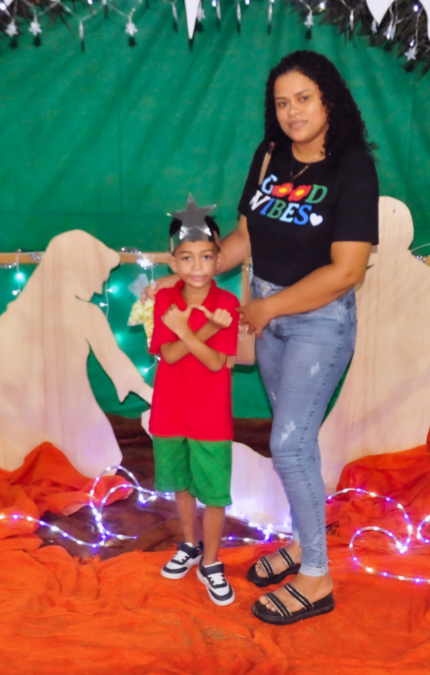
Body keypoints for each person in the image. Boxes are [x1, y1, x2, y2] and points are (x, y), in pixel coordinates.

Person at [150, 51, 378, 625]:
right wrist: (190, 272)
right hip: (269, 314)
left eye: (304, 99)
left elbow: (348, 270)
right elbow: (245, 235)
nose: (292, 111)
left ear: (329, 100)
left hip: (318, 320)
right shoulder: (271, 153)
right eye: (281, 102)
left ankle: (318, 576)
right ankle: (303, 544)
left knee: (289, 445)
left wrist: (267, 308)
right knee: (297, 442)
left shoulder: (353, 166)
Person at [150, 198, 241, 606]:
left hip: (210, 416)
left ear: (219, 259)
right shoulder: (165, 300)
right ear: (173, 262)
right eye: (187, 258)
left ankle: (211, 560)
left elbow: (216, 362)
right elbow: (168, 356)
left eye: (206, 256)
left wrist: (187, 330)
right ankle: (189, 544)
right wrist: (202, 330)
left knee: (215, 492)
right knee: (181, 484)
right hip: (170, 411)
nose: (197, 267)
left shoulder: (228, 305)